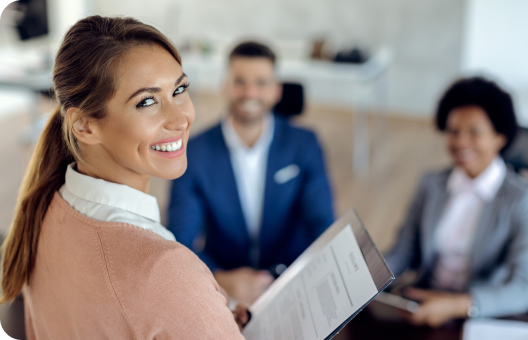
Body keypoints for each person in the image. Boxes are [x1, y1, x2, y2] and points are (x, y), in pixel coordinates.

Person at [0, 16, 249, 339]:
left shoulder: (46, 207)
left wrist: (202, 320)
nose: (180, 119)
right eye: (146, 101)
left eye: (179, 89)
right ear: (85, 126)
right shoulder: (166, 272)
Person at [168, 42, 335, 304]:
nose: (250, 92)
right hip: (223, 288)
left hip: (294, 281)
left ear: (277, 90)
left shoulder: (305, 144)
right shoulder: (195, 153)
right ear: (225, 85)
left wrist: (300, 277)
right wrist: (220, 278)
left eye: (261, 82)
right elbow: (180, 240)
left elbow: (323, 224)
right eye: (240, 81)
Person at [384, 77, 528, 327]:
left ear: (500, 137)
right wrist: (368, 279)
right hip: (422, 305)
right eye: (453, 131)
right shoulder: (431, 185)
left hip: (482, 314)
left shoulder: (520, 200)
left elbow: (522, 287)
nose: (461, 142)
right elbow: (403, 252)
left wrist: (459, 306)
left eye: (474, 132)